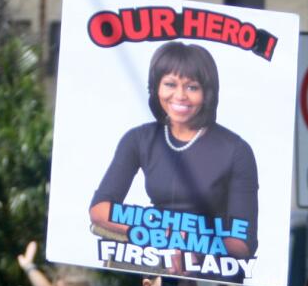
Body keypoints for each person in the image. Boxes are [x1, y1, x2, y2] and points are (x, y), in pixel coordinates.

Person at [89, 42, 258, 269]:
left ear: (207, 94)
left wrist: (192, 244)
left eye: (192, 87)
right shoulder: (138, 139)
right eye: (170, 84)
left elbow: (243, 243)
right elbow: (100, 209)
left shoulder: (237, 150)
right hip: (152, 264)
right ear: (156, 88)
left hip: (207, 272)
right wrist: (153, 233)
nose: (180, 96)